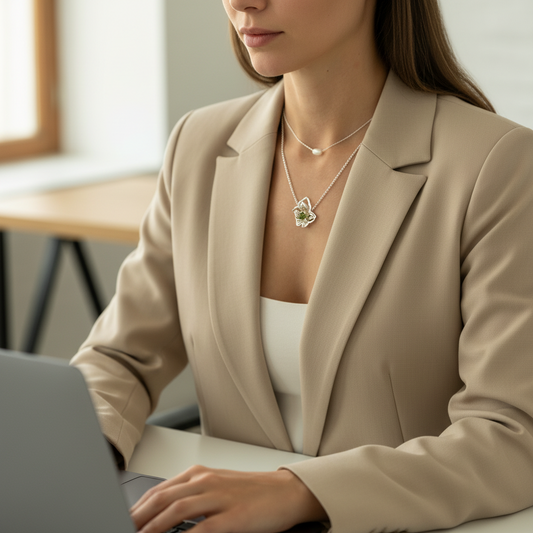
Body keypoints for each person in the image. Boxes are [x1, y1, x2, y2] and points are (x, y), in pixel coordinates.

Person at [71, 1, 533, 532]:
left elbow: (511, 434)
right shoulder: (197, 145)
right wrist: (82, 451)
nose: (242, 2)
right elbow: (122, 355)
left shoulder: (498, 164)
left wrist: (299, 492)